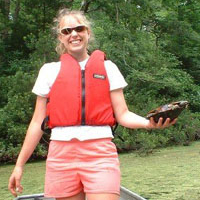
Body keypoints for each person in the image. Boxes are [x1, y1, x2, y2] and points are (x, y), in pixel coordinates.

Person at [8, 9, 176, 200]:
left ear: (88, 32)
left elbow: (123, 114)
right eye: (67, 31)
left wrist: (149, 123)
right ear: (60, 37)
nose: (74, 34)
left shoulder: (108, 68)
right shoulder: (48, 71)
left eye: (79, 28)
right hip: (61, 156)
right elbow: (37, 122)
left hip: (100, 154)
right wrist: (19, 165)